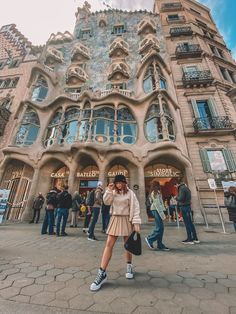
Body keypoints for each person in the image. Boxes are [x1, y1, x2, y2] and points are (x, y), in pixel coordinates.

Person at [90, 174, 141, 291]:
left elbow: (136, 207)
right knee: (108, 245)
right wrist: (108, 189)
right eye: (117, 183)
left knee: (128, 246)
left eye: (121, 182)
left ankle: (129, 266)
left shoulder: (130, 193)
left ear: (124, 183)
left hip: (127, 219)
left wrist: (136, 222)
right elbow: (106, 202)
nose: (119, 185)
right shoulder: (112, 192)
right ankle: (102, 273)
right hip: (114, 219)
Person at [145, 181, 170, 251]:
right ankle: (150, 239)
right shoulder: (155, 193)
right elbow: (157, 204)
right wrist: (163, 215)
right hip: (156, 210)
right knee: (159, 228)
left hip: (156, 210)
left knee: (160, 228)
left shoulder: (154, 192)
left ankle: (160, 244)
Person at [175, 179, 200, 244]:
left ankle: (190, 239)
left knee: (187, 223)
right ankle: (195, 238)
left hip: (184, 207)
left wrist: (176, 198)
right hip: (187, 206)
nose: (175, 187)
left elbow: (181, 198)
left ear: (177, 184)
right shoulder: (186, 188)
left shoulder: (182, 188)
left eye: (175, 185)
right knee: (190, 223)